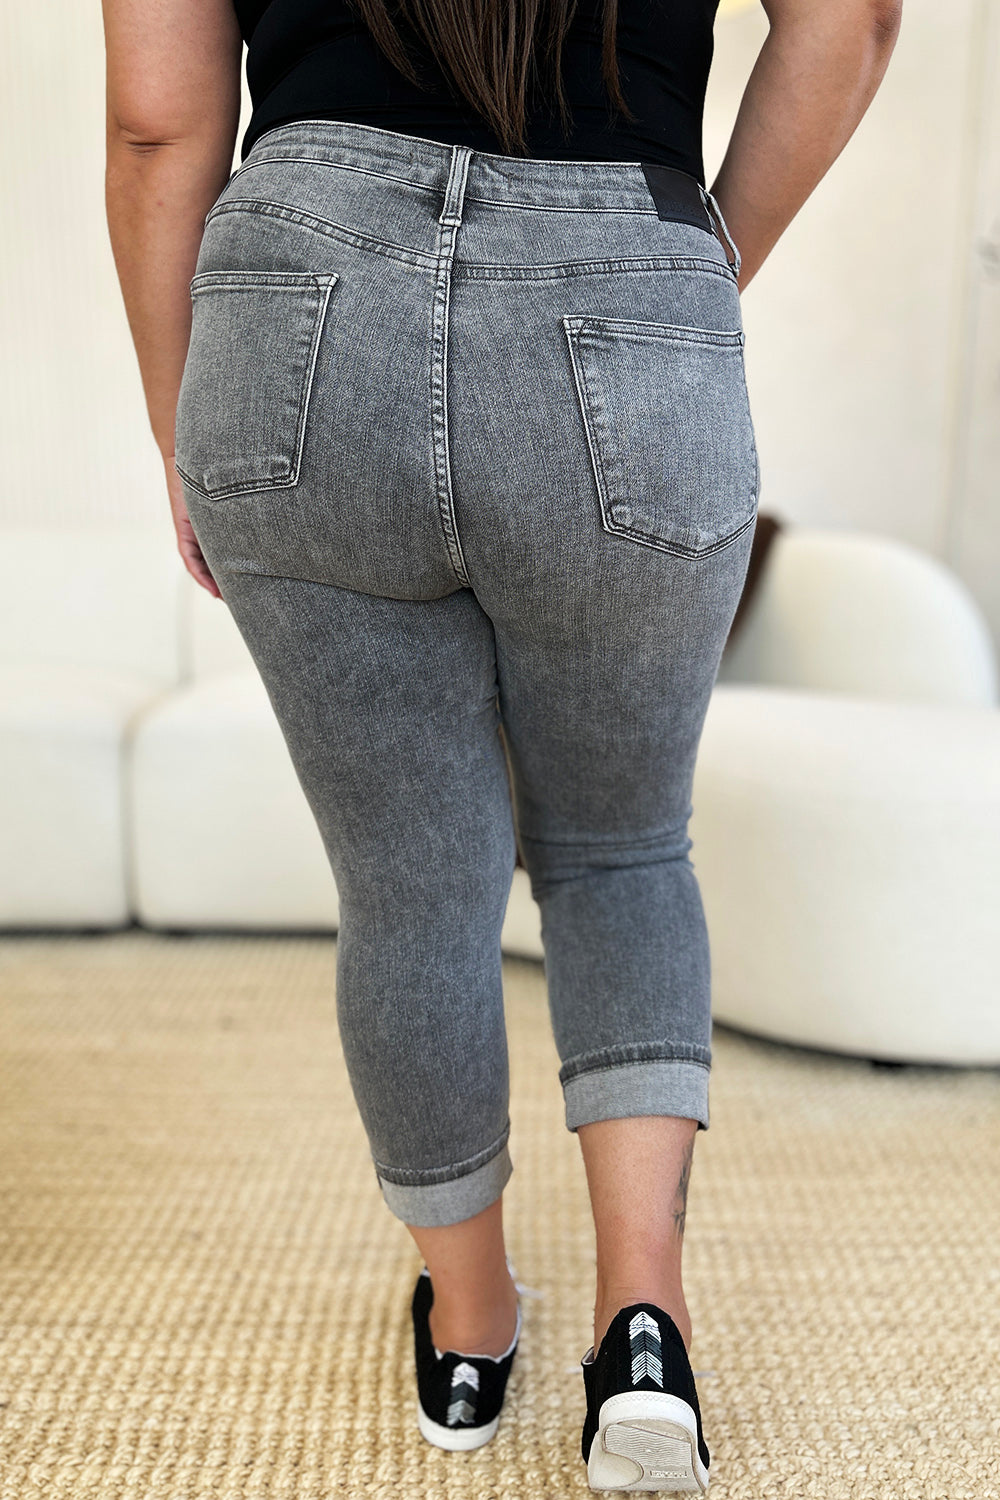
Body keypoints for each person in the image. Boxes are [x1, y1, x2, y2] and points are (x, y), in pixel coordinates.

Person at [102, 0, 902, 1488]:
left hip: (299, 299)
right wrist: (691, 267)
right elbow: (849, 21)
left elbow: (160, 118)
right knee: (621, 848)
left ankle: (471, 1334)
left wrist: (179, 426)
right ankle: (643, 1329)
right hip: (625, 273)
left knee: (410, 887)